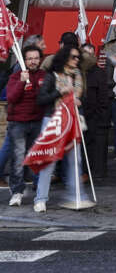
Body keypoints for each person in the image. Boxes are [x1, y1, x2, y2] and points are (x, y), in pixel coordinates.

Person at [34, 45, 89, 211]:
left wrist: (79, 101)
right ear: (64, 57)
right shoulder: (52, 76)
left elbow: (81, 97)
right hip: (54, 120)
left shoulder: (78, 76)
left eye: (78, 57)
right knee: (49, 160)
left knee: (75, 160)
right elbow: (41, 99)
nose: (77, 60)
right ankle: (40, 199)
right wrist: (60, 92)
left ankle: (76, 196)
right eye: (73, 56)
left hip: (72, 119)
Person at [5, 45, 45, 206]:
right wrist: (22, 82)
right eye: (29, 58)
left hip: (37, 121)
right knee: (18, 158)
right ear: (24, 60)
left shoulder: (44, 76)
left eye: (36, 58)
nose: (33, 61)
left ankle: (40, 191)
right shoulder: (15, 76)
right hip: (18, 123)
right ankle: (17, 191)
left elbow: (46, 97)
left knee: (37, 158)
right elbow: (12, 98)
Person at [81, 44, 114, 180]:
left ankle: (95, 172)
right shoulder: (80, 72)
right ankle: (84, 171)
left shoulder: (100, 72)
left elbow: (103, 96)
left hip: (96, 116)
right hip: (84, 114)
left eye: (90, 53)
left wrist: (99, 113)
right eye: (85, 53)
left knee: (96, 146)